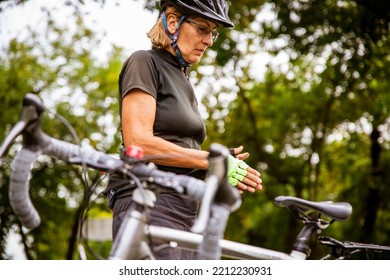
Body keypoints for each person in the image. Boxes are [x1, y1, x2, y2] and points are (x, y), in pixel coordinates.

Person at [104, 0, 263, 259]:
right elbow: (138, 144)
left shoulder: (183, 78)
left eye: (213, 33)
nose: (210, 40)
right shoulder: (144, 62)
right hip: (150, 201)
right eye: (203, 29)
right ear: (174, 22)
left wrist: (217, 163)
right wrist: (209, 161)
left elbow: (175, 146)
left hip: (187, 208)